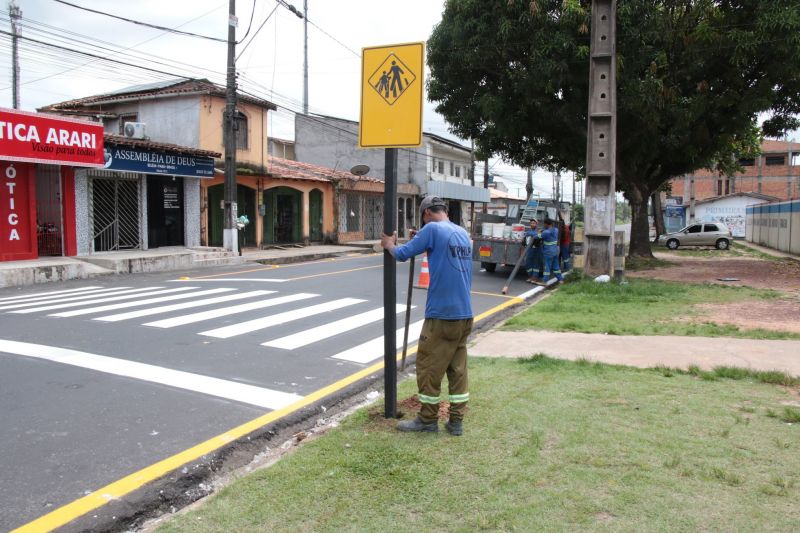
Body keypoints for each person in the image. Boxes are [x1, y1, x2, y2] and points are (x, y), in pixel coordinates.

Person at [380, 195, 473, 436]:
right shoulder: (462, 233)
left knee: (429, 365)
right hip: (465, 314)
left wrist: (389, 244)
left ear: (427, 213)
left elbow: (401, 254)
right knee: (457, 368)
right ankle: (456, 422)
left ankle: (428, 420)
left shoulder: (431, 228)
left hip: (442, 315)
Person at [538, 218, 564, 285]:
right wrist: (543, 230)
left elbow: (538, 236)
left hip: (548, 252)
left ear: (546, 224)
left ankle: (544, 281)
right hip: (555, 251)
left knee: (547, 266)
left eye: (544, 224)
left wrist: (538, 232)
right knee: (556, 266)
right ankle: (560, 280)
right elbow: (549, 231)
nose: (544, 225)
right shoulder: (556, 230)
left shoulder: (546, 232)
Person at [524, 219, 543, 284]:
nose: (532, 224)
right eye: (531, 223)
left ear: (536, 224)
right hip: (530, 249)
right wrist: (536, 234)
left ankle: (534, 277)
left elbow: (538, 236)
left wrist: (536, 234)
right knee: (528, 262)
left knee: (536, 264)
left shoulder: (539, 231)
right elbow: (529, 234)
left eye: (534, 223)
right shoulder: (530, 232)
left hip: (537, 249)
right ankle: (531, 276)